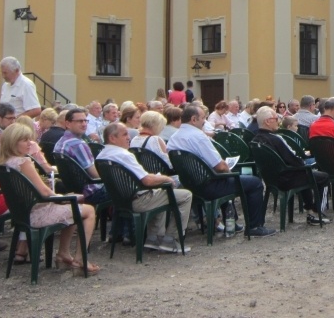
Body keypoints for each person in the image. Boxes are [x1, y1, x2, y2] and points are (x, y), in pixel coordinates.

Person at [0, 124, 99, 274]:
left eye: (30, 139)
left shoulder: (3, 163)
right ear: (13, 142)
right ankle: (80, 258)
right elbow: (44, 191)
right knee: (88, 210)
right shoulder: (23, 162)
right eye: (24, 140)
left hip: (21, 213)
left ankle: (64, 253)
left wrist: (64, 199)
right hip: (37, 213)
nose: (30, 143)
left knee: (72, 209)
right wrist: (64, 197)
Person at [167, 105, 275, 237]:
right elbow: (220, 166)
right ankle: (254, 226)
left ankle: (232, 223)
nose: (205, 121)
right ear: (193, 119)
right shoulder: (198, 136)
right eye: (203, 118)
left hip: (190, 185)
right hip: (208, 185)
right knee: (255, 183)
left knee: (226, 178)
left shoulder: (175, 137)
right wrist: (228, 168)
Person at [99, 122, 192, 253]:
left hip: (120, 201)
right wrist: (166, 178)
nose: (128, 137)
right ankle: (171, 239)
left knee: (160, 192)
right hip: (138, 200)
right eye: (124, 134)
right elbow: (147, 180)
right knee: (185, 195)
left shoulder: (101, 155)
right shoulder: (124, 154)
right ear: (112, 138)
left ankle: (153, 238)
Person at [251, 106, 330, 225]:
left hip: (271, 179)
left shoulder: (255, 141)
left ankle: (310, 209)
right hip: (287, 179)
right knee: (322, 176)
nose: (279, 121)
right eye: (276, 118)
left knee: (305, 173)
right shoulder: (276, 139)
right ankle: (316, 211)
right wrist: (304, 162)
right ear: (268, 121)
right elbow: (294, 159)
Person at [54, 108, 108, 205]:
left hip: (73, 190)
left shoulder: (60, 142)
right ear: (68, 124)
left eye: (85, 120)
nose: (84, 124)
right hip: (90, 192)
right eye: (79, 121)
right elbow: (95, 175)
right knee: (123, 190)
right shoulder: (78, 144)